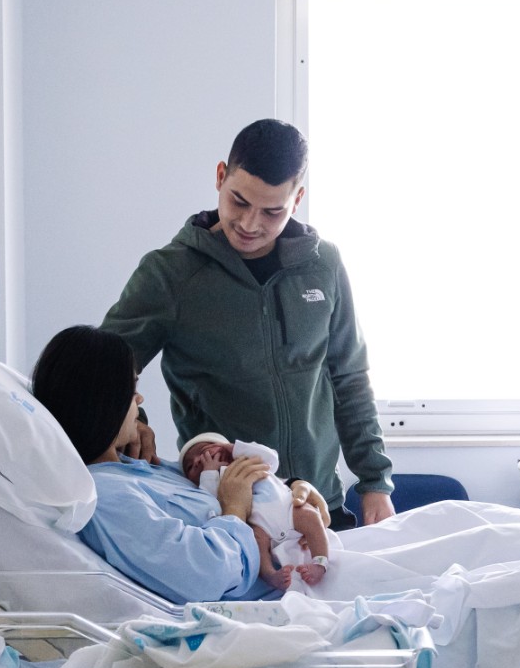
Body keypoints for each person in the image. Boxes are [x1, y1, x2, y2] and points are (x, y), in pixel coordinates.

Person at [101, 118, 396, 529]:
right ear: (221, 177)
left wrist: (374, 480)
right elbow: (100, 367)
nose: (250, 224)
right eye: (239, 201)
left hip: (319, 506)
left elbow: (349, 376)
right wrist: (134, 423)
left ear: (297, 200)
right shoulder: (170, 274)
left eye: (272, 211)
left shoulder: (324, 266)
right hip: (230, 513)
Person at [31, 325, 330, 604]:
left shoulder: (140, 468)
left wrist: (290, 487)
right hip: (288, 591)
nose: (140, 398)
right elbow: (207, 575)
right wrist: (235, 510)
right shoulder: (108, 497)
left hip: (306, 564)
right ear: (104, 401)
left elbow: (213, 480)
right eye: (131, 390)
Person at [179, 432, 335, 590]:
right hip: (259, 525)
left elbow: (271, 459)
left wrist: (234, 448)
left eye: (204, 450)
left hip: (288, 509)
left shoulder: (248, 460)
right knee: (255, 543)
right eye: (190, 467)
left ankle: (320, 562)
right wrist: (209, 472)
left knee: (311, 516)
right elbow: (211, 499)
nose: (197, 460)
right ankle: (270, 574)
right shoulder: (218, 483)